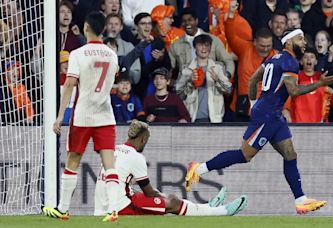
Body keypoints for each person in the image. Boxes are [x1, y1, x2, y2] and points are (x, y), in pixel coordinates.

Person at [184, 28, 333, 214]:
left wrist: (253, 103)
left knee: (290, 154)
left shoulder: (273, 58)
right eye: (300, 38)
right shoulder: (290, 61)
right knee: (245, 155)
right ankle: (198, 169)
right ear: (289, 42)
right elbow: (294, 91)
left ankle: (301, 200)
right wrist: (320, 84)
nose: (305, 42)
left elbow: (253, 80)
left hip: (273, 114)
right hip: (267, 116)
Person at [42, 12, 121, 222]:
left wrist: (59, 117)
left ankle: (63, 209)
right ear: (103, 29)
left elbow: (69, 84)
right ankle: (113, 210)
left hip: (83, 115)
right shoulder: (112, 54)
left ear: (86, 28)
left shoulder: (78, 53)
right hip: (105, 114)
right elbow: (111, 80)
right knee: (109, 164)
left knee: (73, 160)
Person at [94, 120, 248, 216]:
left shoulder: (114, 149)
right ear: (143, 139)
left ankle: (207, 207)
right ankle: (222, 212)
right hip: (121, 207)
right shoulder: (136, 156)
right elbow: (149, 192)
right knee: (172, 203)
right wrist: (164, 198)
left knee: (167, 200)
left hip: (103, 205)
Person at [175, 34, 232, 123]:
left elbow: (228, 90)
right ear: (195, 48)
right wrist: (190, 82)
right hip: (192, 117)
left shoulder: (218, 67)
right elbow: (179, 95)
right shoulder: (186, 69)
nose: (204, 48)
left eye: (207, 45)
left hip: (214, 118)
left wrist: (217, 80)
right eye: (200, 45)